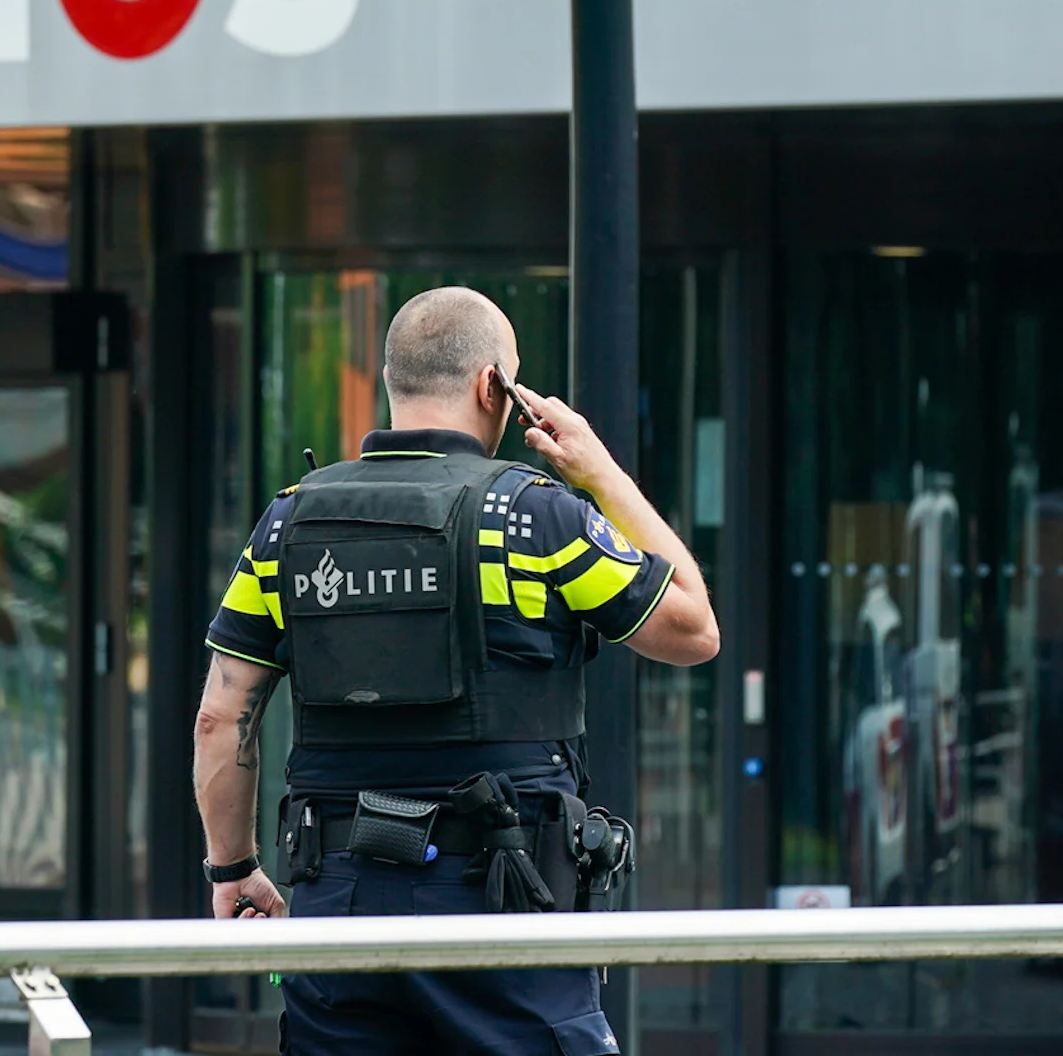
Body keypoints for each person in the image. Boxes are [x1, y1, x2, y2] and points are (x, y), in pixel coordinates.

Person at [193, 286, 718, 1055]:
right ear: (492, 385)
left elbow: (221, 716)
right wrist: (601, 472)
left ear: (390, 380)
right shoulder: (536, 517)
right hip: (502, 909)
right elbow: (694, 627)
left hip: (338, 913)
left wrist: (233, 867)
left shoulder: (288, 522)